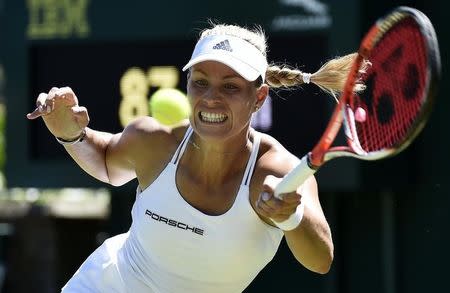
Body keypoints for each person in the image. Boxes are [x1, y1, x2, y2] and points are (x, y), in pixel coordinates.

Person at [27, 23, 366, 293]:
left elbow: (320, 259)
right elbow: (104, 161)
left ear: (259, 97)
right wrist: (69, 134)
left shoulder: (276, 171)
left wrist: (292, 217)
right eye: (200, 83)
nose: (211, 99)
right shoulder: (154, 142)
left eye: (230, 87)